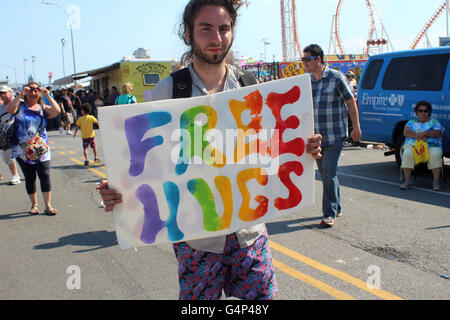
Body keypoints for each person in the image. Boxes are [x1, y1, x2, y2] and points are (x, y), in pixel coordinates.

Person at [98, 0, 323, 301]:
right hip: (196, 241)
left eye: (224, 28)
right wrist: (117, 189)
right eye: (206, 29)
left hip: (250, 233)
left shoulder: (250, 84)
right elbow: (146, 161)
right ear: (189, 33)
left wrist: (301, 149)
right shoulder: (169, 90)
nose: (216, 38)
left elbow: (268, 152)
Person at [302, 44, 362, 227]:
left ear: (318, 59)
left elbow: (351, 103)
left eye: (307, 59)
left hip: (335, 134)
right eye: (303, 59)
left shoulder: (336, 78)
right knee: (326, 174)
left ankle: (329, 213)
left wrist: (356, 128)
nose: (304, 63)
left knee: (328, 173)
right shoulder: (307, 81)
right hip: (317, 138)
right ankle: (338, 206)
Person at [6, 82, 60, 215]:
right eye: (30, 90)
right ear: (26, 92)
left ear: (39, 93)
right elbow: (9, 109)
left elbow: (57, 111)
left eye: (36, 90)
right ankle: (34, 205)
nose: (33, 93)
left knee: (45, 175)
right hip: (22, 150)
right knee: (30, 177)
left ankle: (48, 205)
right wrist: (19, 95)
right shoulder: (19, 106)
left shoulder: (42, 107)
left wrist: (47, 94)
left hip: (41, 149)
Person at [400, 100, 444, 191]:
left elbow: (438, 132)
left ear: (429, 112)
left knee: (435, 154)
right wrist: (418, 136)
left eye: (425, 111)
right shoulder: (411, 122)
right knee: (407, 154)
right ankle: (407, 182)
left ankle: (436, 182)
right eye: (420, 111)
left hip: (431, 145)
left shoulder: (434, 122)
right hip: (414, 146)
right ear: (416, 112)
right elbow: (406, 132)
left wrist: (425, 133)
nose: (423, 113)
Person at [0, 85, 21, 185]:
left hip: (23, 135)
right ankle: (15, 175)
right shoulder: (1, 108)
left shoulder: (21, 104)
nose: (2, 95)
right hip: (8, 136)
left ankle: (33, 173)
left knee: (27, 156)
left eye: (4, 93)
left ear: (10, 92)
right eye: (0, 93)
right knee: (8, 156)